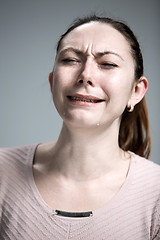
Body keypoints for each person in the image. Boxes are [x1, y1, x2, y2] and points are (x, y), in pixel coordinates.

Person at [0, 15, 160, 240]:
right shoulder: (2, 173)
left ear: (136, 91)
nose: (85, 75)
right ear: (52, 81)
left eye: (108, 64)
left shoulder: (156, 194)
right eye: (70, 60)